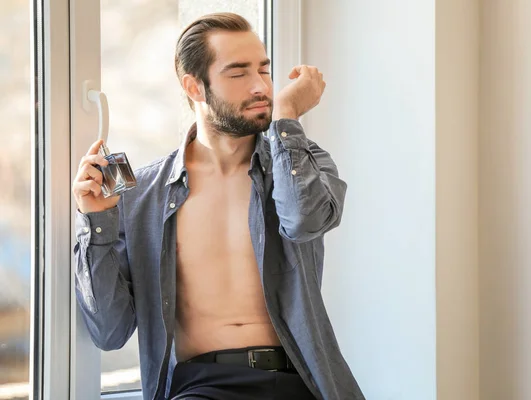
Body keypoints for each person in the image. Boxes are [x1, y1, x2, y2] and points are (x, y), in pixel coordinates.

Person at [72, 12, 364, 400]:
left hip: (304, 382)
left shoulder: (302, 163)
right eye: (238, 73)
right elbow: (110, 331)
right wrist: (97, 221)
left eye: (264, 69)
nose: (261, 86)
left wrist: (287, 118)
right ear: (194, 87)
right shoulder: (144, 195)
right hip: (204, 388)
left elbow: (303, 220)